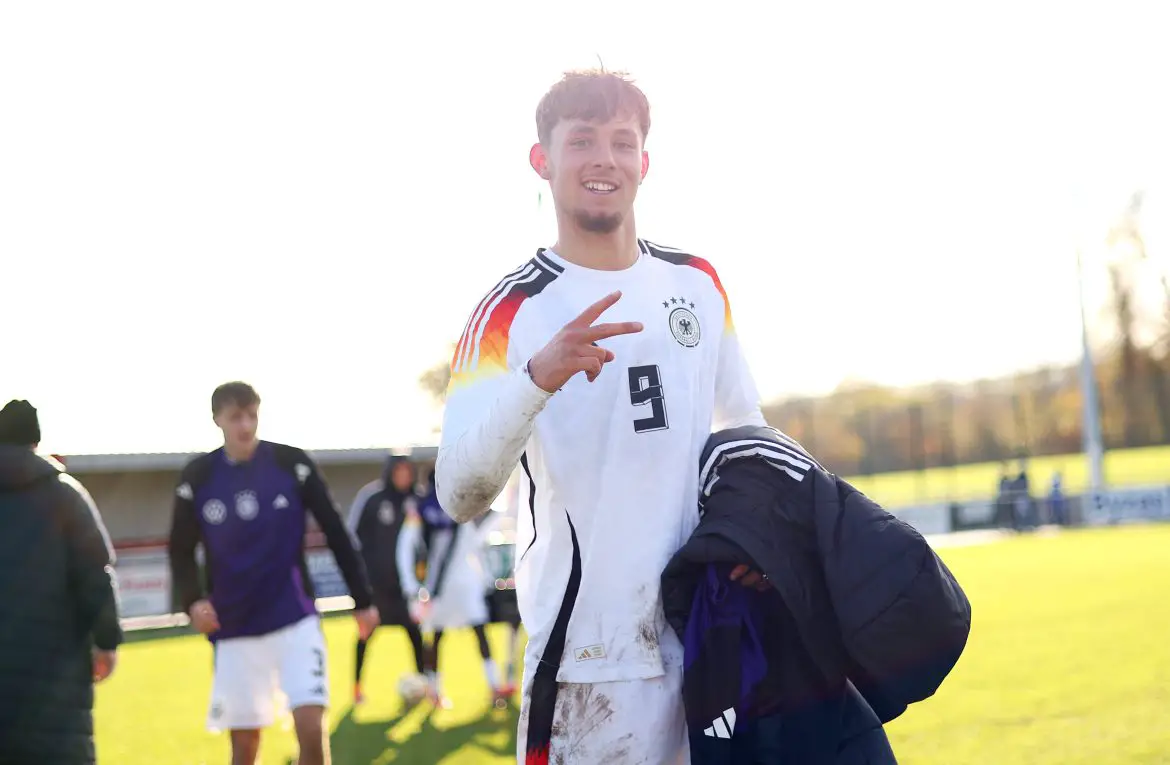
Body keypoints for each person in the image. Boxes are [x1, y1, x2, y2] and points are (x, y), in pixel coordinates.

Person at [433, 69, 767, 764]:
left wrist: (762, 542)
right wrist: (536, 380)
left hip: (709, 642)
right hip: (586, 665)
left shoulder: (697, 284)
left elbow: (747, 433)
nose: (603, 159)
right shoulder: (511, 311)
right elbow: (458, 493)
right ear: (542, 160)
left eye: (622, 141)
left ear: (644, 162)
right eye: (581, 140)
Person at [167, 382, 379, 765]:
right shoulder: (198, 476)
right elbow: (180, 549)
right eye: (235, 417)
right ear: (217, 420)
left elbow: (334, 529)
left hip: (294, 617)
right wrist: (193, 601)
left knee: (312, 728)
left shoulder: (291, 464)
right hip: (234, 627)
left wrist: (362, 599)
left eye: (251, 415)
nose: (245, 425)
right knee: (244, 747)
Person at [0, 399, 122, 765]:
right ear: (36, 442)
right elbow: (96, 575)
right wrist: (106, 642)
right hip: (56, 679)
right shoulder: (65, 495)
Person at [397, 471, 507, 709]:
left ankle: (492, 687)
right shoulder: (425, 509)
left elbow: (474, 543)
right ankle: (438, 692)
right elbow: (407, 547)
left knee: (471, 633)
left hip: (460, 585)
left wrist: (486, 578)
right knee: (439, 636)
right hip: (440, 587)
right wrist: (411, 586)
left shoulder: (458, 505)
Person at [346, 453, 427, 704]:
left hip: (407, 587)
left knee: (415, 634)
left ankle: (424, 684)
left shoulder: (418, 501)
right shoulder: (372, 498)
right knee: (365, 634)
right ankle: (357, 689)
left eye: (407, 471)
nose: (403, 476)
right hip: (376, 585)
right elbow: (352, 538)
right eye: (398, 471)